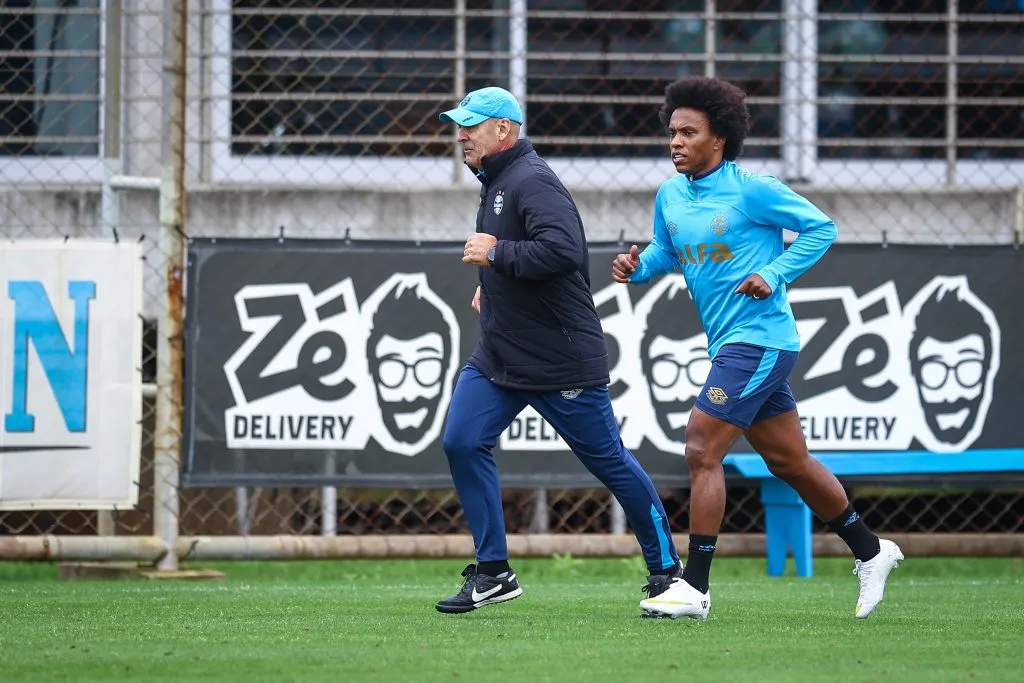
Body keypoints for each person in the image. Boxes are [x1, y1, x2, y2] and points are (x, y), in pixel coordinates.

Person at [612, 76, 904, 621]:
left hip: (761, 340)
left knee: (701, 448)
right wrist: (638, 266)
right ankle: (871, 550)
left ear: (719, 138)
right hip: (731, 342)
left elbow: (820, 229)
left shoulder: (753, 189)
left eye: (688, 132)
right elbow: (667, 250)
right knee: (790, 461)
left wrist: (773, 273)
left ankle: (694, 587)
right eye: (672, 132)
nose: (675, 142)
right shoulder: (671, 195)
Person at [435, 86, 682, 614]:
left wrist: (496, 255)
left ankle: (668, 574)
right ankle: (493, 572)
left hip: (559, 360)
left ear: (504, 129)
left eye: (471, 126)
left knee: (610, 462)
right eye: (459, 126)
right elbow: (520, 258)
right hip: (501, 354)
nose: (461, 136)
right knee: (462, 440)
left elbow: (563, 251)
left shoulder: (532, 179)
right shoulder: (496, 180)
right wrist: (493, 285)